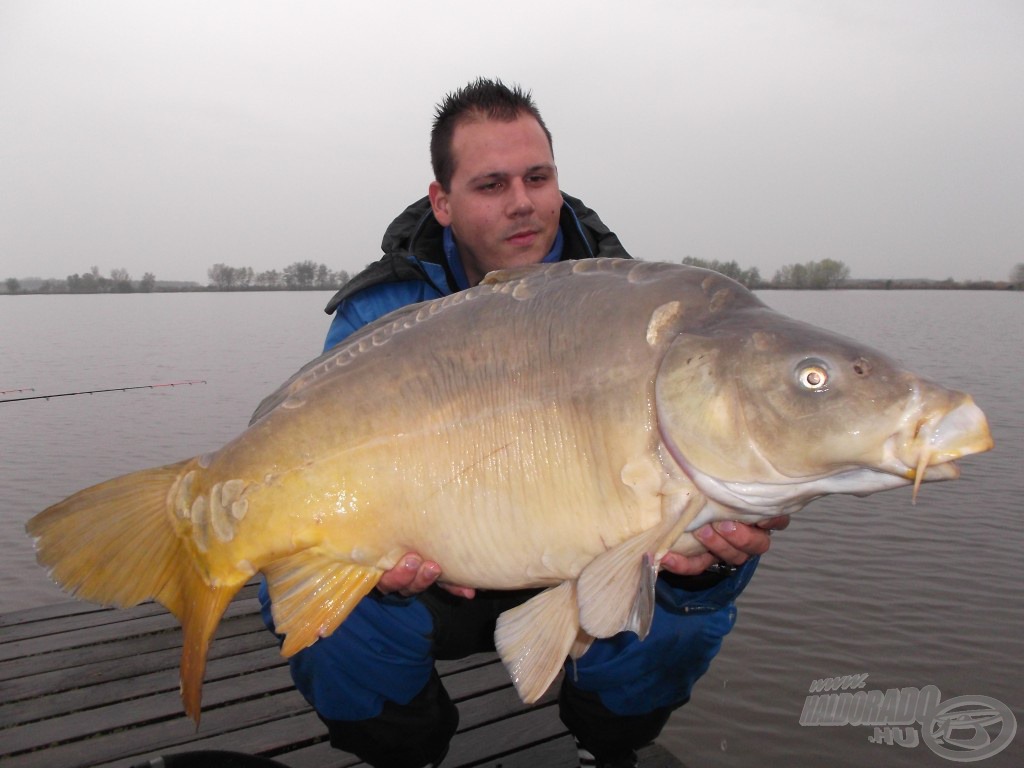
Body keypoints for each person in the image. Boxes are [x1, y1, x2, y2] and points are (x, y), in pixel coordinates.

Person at [259, 78, 787, 768]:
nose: (522, 203)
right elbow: (319, 465)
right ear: (441, 203)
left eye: (538, 177)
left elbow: (702, 486)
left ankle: (608, 744)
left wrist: (703, 569)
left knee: (687, 607)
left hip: (594, 555)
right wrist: (362, 556)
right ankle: (403, 750)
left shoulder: (631, 304)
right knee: (326, 613)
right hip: (440, 568)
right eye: (491, 184)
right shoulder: (380, 316)